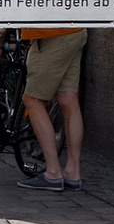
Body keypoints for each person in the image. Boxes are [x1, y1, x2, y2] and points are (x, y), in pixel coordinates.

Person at [18, 26, 87, 190]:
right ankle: (73, 171)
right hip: (76, 30)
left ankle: (53, 172)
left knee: (32, 100)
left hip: (51, 33)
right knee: (68, 99)